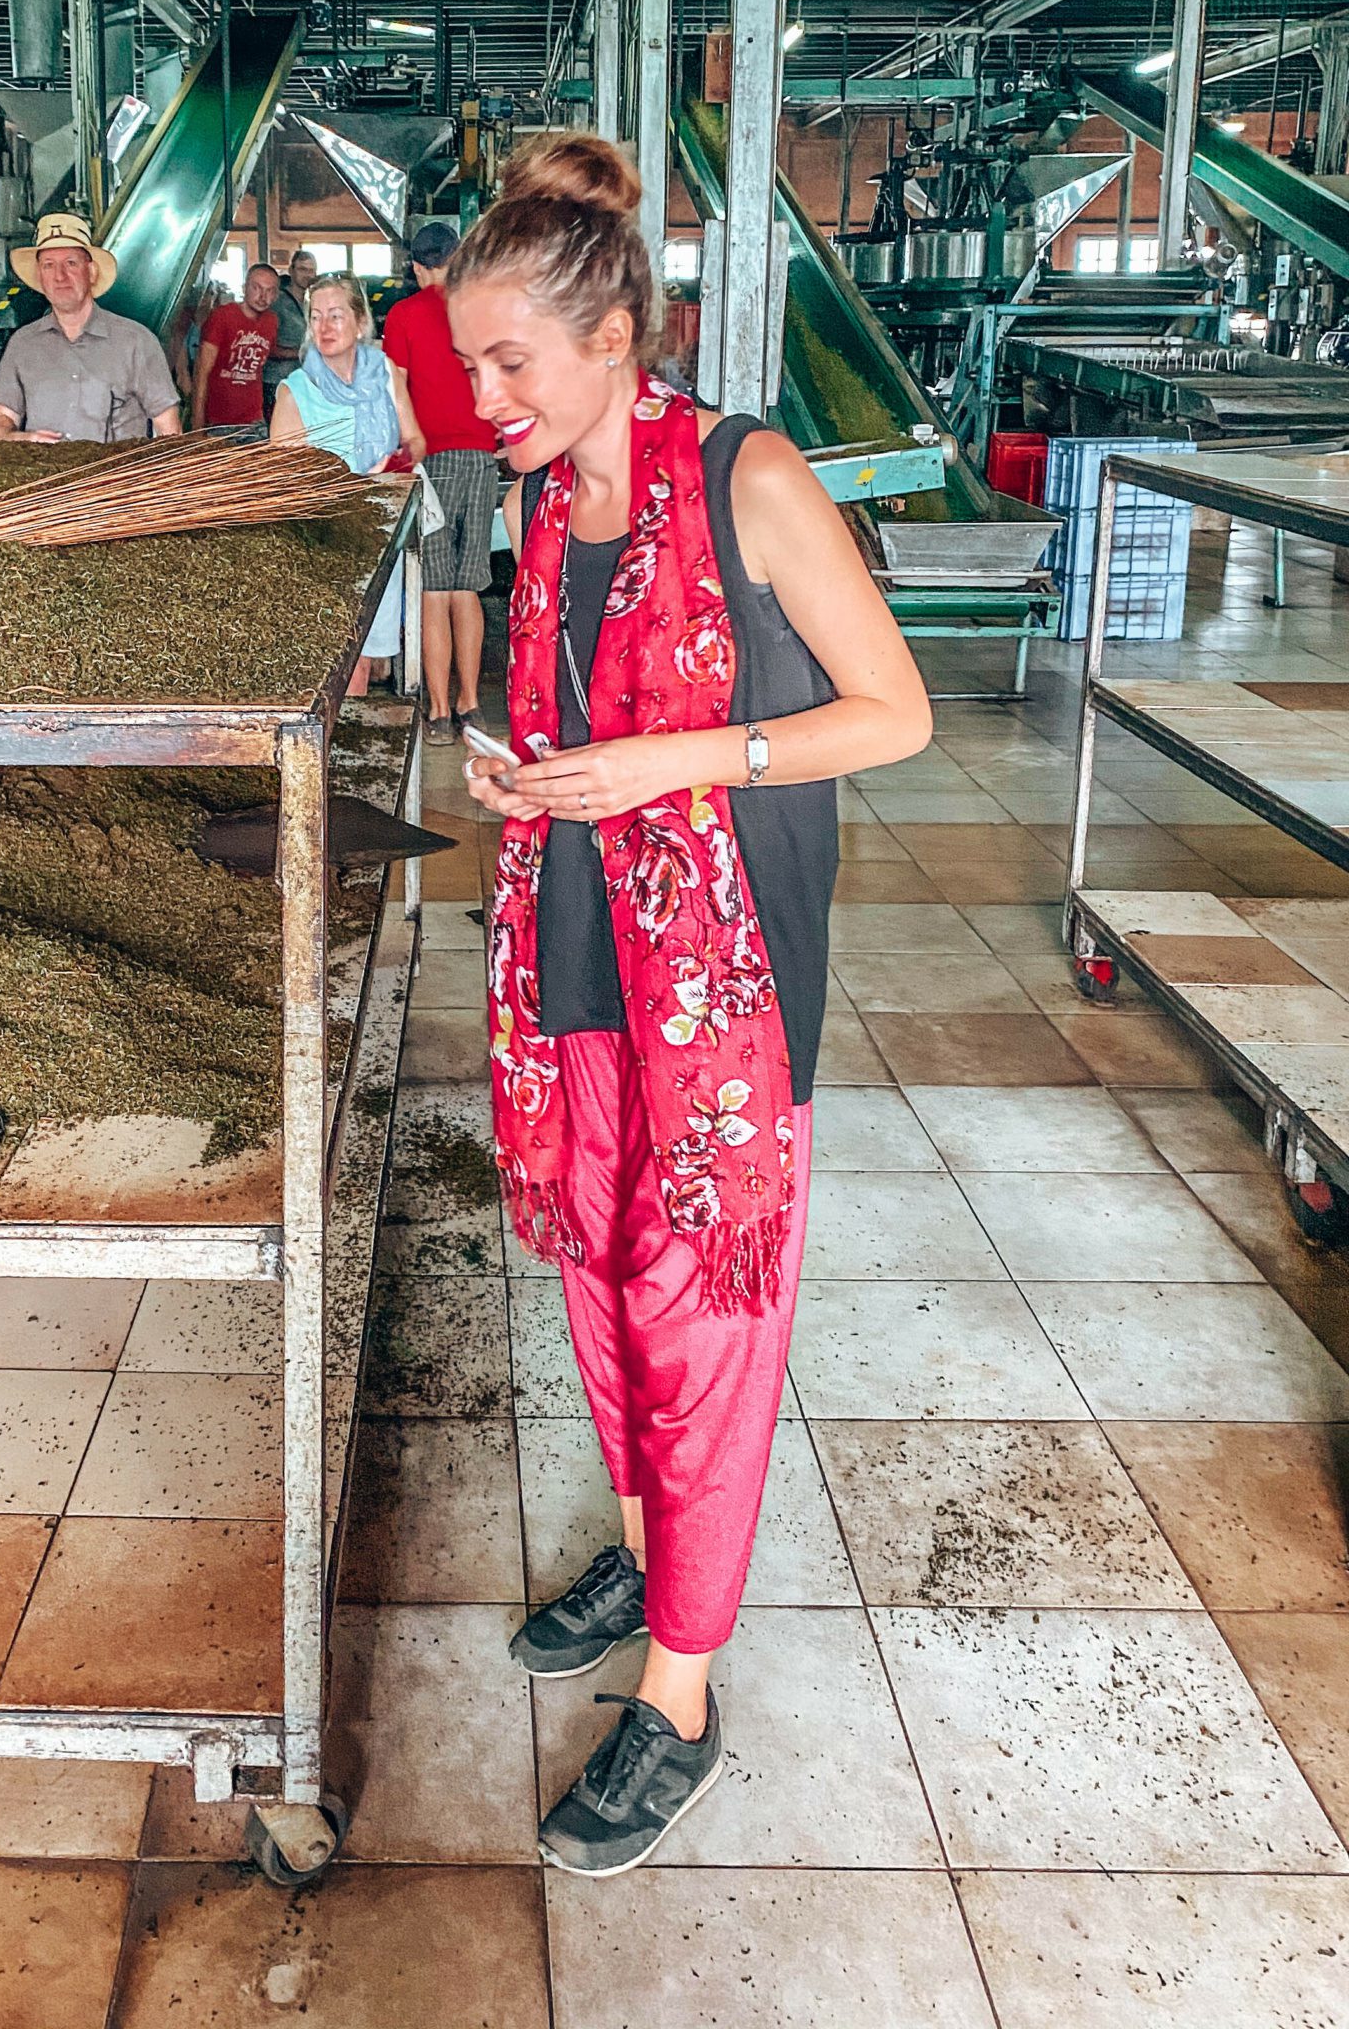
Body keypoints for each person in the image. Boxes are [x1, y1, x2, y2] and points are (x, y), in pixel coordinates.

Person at [452, 135, 931, 1878]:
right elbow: (568, 702)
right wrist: (534, 781)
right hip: (569, 943)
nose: (485, 392)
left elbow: (896, 713)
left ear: (610, 340)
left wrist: (670, 762)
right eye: (469, 363)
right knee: (597, 1275)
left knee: (700, 1319)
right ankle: (653, 1550)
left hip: (720, 984)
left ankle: (685, 1692)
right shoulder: (531, 499)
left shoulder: (748, 475)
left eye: (511, 361)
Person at [271, 272, 424, 693]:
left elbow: (415, 438)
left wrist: (398, 461)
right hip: (327, 545)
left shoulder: (385, 374)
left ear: (361, 323)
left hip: (379, 536)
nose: (324, 328)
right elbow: (285, 479)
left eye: (336, 316)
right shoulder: (295, 391)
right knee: (341, 663)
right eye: (316, 317)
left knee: (367, 657)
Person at [383, 220, 498, 742]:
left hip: (432, 460)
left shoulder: (403, 315)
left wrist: (412, 441)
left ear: (416, 266)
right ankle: (471, 705)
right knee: (468, 587)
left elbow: (395, 385)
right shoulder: (480, 308)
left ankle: (438, 713)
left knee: (434, 587)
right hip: (480, 456)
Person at [0, 210, 180, 443]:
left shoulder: (136, 341)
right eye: (49, 265)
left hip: (117, 479)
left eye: (70, 263)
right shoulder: (22, 344)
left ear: (91, 272)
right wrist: (18, 438)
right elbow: (1, 421)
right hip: (47, 478)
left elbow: (169, 429)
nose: (60, 276)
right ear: (40, 275)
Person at [193, 262, 281, 430]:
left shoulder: (272, 321)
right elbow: (202, 371)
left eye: (269, 291)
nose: (263, 296)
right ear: (244, 288)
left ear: (276, 295)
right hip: (218, 420)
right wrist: (198, 424)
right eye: (257, 288)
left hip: (253, 419)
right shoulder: (222, 316)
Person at [265, 247, 317, 410]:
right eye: (302, 269)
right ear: (291, 271)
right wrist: (303, 352)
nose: (307, 275)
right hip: (277, 381)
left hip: (302, 380)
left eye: (311, 270)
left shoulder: (311, 303)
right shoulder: (277, 303)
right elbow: (267, 347)